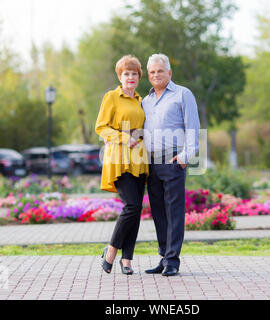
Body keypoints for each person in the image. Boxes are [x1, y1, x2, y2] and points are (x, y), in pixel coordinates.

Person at [142, 53, 200, 276]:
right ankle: (163, 257)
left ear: (169, 73)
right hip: (151, 162)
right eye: (152, 72)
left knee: (173, 210)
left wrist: (186, 157)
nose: (156, 75)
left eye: (160, 71)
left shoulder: (182, 94)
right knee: (158, 211)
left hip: (174, 159)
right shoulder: (145, 101)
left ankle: (173, 260)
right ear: (149, 75)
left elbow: (193, 127)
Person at [95, 55, 149, 275]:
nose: (130, 77)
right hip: (119, 157)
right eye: (126, 73)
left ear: (138, 77)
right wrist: (124, 138)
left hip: (140, 159)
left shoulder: (140, 100)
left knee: (136, 211)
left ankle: (127, 260)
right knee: (132, 206)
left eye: (134, 73)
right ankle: (111, 250)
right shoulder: (111, 97)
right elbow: (101, 127)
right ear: (120, 76)